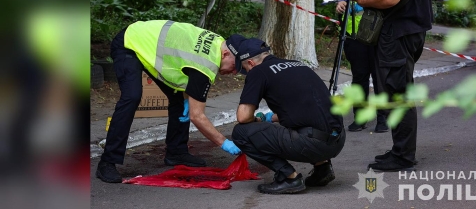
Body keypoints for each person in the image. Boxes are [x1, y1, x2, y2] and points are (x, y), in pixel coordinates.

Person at [96, 20, 242, 183]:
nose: (234, 72)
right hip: (129, 42)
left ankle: (177, 152)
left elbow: (188, 68)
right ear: (226, 54)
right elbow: (197, 116)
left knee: (179, 98)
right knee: (132, 96)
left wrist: (187, 97)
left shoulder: (219, 43)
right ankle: (107, 162)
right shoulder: (206, 65)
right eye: (235, 66)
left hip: (150, 47)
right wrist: (224, 143)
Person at [353, 0, 433, 172]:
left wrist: (366, 0)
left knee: (397, 92)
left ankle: (403, 155)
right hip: (412, 28)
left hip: (398, 31)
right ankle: (401, 148)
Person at [228, 35, 345, 194]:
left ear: (250, 63)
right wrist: (269, 118)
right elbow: (301, 108)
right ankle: (322, 168)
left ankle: (289, 177)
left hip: (312, 144)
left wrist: (257, 120)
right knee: (308, 124)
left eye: (245, 69)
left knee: (240, 132)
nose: (247, 73)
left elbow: (243, 116)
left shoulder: (258, 71)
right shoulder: (297, 64)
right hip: (338, 139)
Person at [335, 0, 388, 133]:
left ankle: (383, 117)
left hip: (377, 33)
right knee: (359, 77)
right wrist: (341, 1)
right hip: (353, 33)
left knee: (380, 76)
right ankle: (360, 116)